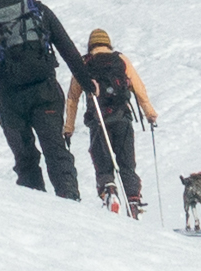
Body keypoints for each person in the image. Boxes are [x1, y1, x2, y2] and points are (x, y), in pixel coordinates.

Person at [0, 0, 91, 200]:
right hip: (44, 91)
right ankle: (69, 199)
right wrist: (86, 83)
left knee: (24, 156)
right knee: (55, 149)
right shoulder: (39, 10)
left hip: (9, 97)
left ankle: (34, 205)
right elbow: (67, 47)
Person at [63, 28, 159, 216]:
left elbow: (72, 98)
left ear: (91, 44)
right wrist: (150, 113)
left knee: (103, 162)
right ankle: (133, 200)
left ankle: (109, 191)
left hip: (98, 120)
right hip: (122, 117)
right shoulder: (121, 60)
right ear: (108, 43)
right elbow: (138, 87)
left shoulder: (84, 63)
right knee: (127, 162)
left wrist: (69, 128)